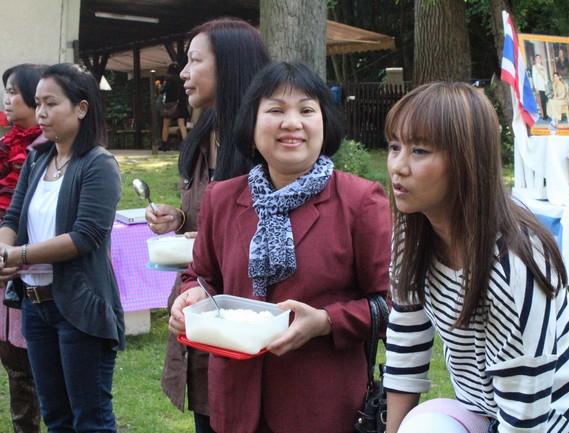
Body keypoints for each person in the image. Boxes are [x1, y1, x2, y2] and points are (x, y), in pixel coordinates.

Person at [382, 82, 569, 433]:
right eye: (394, 146)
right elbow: (407, 342)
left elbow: (527, 412)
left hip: (561, 418)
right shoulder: (412, 235)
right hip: (487, 408)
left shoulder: (514, 264)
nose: (398, 166)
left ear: (467, 159)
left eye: (419, 151)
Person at [168, 61, 391, 433]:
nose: (291, 123)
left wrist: (325, 322)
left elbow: (389, 305)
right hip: (236, 404)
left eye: (306, 110)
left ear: (324, 122)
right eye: (275, 110)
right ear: (252, 124)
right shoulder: (222, 198)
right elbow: (200, 276)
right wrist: (190, 296)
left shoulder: (359, 200)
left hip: (323, 408)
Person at [145, 17, 271, 433]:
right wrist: (178, 219)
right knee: (208, 414)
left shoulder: (264, 144)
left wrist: (210, 241)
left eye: (195, 61)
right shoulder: (203, 135)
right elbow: (206, 220)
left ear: (230, 66)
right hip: (199, 311)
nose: (183, 72)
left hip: (247, 323)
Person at [0, 63, 124, 432]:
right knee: (56, 418)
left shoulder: (98, 164)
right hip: (35, 306)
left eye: (51, 103)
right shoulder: (38, 158)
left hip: (79, 307)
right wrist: (3, 251)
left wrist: (19, 256)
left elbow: (85, 236)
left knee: (90, 419)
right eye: (38, 103)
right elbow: (13, 217)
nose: (41, 112)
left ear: (81, 108)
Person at [0, 63, 47, 433]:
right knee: (13, 362)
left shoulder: (49, 150)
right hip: (3, 262)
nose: (7, 99)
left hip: (35, 269)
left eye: (14, 91)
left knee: (36, 362)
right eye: (6, 91)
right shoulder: (4, 146)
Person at [159, 62, 189, 151]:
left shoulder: (169, 78)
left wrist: (160, 89)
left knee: (166, 124)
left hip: (170, 104)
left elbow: (164, 89)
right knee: (181, 124)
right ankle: (186, 144)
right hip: (181, 104)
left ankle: (164, 144)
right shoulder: (182, 80)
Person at [531, 54, 549, 120]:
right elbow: (534, 78)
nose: (539, 60)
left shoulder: (543, 67)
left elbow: (545, 76)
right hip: (539, 87)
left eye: (539, 58)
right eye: (537, 58)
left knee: (544, 101)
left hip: (543, 87)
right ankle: (543, 115)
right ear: (536, 59)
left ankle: (545, 113)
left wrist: (546, 83)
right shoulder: (534, 67)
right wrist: (536, 87)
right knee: (541, 102)